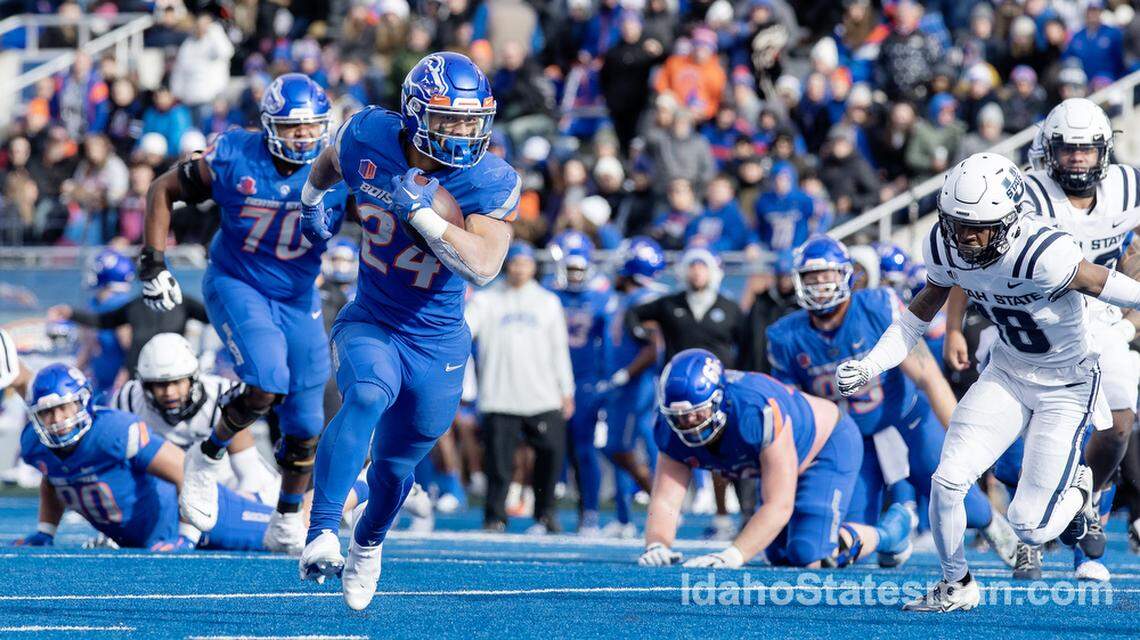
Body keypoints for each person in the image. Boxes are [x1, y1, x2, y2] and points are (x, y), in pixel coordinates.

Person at [835, 153, 1140, 612]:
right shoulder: (945, 245)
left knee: (1030, 526)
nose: (964, 237)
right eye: (955, 223)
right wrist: (871, 364)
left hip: (1067, 383)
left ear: (1013, 219)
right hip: (1008, 372)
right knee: (948, 480)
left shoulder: (1044, 252)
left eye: (977, 226)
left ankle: (1079, 494)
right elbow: (916, 317)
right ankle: (955, 583)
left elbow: (1103, 282)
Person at [295, 52, 519, 610]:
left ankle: (367, 543)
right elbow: (330, 160)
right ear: (415, 114)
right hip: (373, 317)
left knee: (395, 469)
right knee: (366, 395)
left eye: (473, 121)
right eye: (450, 120)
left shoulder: (489, 178)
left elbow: (485, 265)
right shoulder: (369, 133)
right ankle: (321, 530)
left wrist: (427, 218)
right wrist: (312, 198)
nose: (465, 133)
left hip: (437, 341)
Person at [139, 73, 349, 553]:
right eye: (294, 128)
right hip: (238, 282)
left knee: (305, 420)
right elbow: (161, 190)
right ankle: (207, 456)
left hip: (299, 297)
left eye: (313, 127)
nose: (304, 137)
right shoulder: (234, 156)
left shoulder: (343, 169)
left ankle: (286, 519)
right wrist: (152, 260)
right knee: (267, 380)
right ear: (269, 126)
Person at [766, 236, 1017, 568]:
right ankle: (894, 535)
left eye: (827, 276)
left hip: (907, 418)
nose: (820, 285)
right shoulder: (786, 335)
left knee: (958, 497)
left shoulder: (876, 307)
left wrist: (967, 440)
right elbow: (794, 416)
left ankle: (996, 527)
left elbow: (929, 376)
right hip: (853, 438)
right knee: (843, 537)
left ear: (846, 276)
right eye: (812, 278)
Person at [1002, 98, 1140, 582]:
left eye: (1086, 149)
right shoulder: (1026, 193)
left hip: (1101, 318)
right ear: (1049, 151)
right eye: (1067, 149)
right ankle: (1027, 539)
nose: (1077, 158)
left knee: (1120, 424)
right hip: (1038, 321)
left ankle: (1088, 501)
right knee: (1036, 429)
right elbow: (972, 257)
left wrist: (1129, 318)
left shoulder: (1128, 185)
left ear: (1104, 150)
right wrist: (955, 326)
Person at [637, 349, 914, 569]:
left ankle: (892, 531)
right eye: (679, 417)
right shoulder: (669, 429)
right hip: (784, 460)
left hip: (826, 445)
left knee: (811, 555)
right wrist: (658, 545)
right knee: (778, 555)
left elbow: (778, 506)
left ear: (719, 399)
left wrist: (732, 555)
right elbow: (665, 499)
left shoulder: (755, 411)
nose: (688, 423)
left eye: (697, 412)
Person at [14, 364, 274, 552]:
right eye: (47, 412)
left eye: (63, 408)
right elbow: (53, 479)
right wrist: (45, 531)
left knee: (286, 537)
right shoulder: (34, 444)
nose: (57, 420)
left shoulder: (112, 432)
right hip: (149, 539)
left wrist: (187, 535)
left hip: (205, 516)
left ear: (83, 402)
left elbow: (186, 471)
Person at [466, 241, 574, 533]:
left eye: (525, 263)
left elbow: (559, 349)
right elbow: (464, 332)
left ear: (533, 267)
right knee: (499, 464)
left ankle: (545, 512)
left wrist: (567, 389)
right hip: (499, 395)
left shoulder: (547, 302)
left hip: (542, 394)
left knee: (550, 457)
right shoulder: (486, 300)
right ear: (507, 265)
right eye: (515, 262)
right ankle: (494, 516)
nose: (519, 268)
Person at [112, 333, 279, 503]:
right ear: (146, 385)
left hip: (228, 483)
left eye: (177, 382)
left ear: (193, 379)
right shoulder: (128, 399)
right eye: (160, 384)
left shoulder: (221, 396)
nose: (169, 392)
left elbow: (248, 469)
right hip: (166, 486)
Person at [548, 230, 614, 535]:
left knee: (585, 450)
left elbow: (610, 344)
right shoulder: (548, 296)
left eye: (579, 269)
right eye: (571, 269)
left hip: (586, 382)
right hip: (549, 381)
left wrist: (605, 380)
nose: (575, 275)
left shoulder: (600, 300)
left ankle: (589, 512)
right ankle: (545, 513)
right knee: (550, 450)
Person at [601, 237, 666, 538]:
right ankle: (624, 517)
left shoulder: (645, 300)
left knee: (625, 448)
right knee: (618, 448)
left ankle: (662, 509)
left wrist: (626, 374)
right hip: (624, 385)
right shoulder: (627, 298)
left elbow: (654, 347)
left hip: (637, 386)